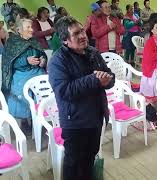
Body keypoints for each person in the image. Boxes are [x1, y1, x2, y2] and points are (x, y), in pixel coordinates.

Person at [48, 16, 115, 180]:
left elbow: (108, 75)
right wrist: (94, 79)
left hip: (95, 117)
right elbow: (64, 90)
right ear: (65, 40)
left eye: (82, 31)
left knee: (89, 159)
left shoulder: (92, 52)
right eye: (76, 33)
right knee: (74, 164)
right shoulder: (57, 61)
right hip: (75, 122)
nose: (83, 36)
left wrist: (108, 80)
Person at [1, 18, 47, 132]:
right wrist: (26, 61)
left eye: (31, 27)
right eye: (28, 27)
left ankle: (41, 116)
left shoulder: (34, 40)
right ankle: (25, 120)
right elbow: (9, 62)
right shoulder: (12, 42)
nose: (32, 30)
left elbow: (43, 54)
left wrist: (43, 60)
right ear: (19, 30)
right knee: (21, 90)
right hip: (21, 74)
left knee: (46, 87)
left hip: (37, 72)